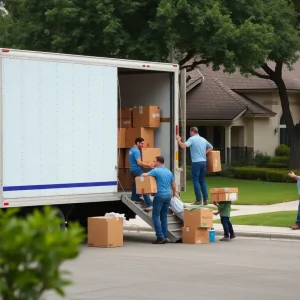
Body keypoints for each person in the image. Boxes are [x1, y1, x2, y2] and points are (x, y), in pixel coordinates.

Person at [142, 156, 177, 244]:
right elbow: (173, 183)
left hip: (159, 196)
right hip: (167, 195)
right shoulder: (169, 172)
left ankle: (160, 236)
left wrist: (142, 176)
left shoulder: (156, 170)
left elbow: (144, 175)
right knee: (164, 216)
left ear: (158, 162)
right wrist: (174, 193)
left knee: (155, 216)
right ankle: (165, 236)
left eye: (154, 161)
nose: (153, 162)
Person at [176, 127, 213, 205]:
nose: (190, 133)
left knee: (195, 180)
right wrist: (204, 153)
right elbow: (211, 147)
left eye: (190, 132)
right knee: (202, 180)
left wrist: (178, 139)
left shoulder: (192, 139)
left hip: (196, 162)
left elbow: (183, 146)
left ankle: (198, 200)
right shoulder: (203, 139)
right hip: (203, 162)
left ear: (192, 132)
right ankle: (205, 199)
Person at [129, 137, 154, 211]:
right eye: (142, 143)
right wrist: (148, 165)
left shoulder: (131, 150)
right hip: (137, 170)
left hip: (132, 170)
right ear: (137, 143)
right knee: (144, 185)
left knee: (135, 183)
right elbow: (139, 162)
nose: (143, 145)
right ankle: (149, 204)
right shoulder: (136, 151)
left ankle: (135, 198)